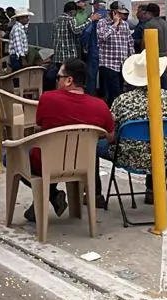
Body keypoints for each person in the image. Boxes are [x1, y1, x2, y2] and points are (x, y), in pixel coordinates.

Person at [24, 58, 114, 222]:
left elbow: (40, 124)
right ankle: (52, 196)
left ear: (68, 80)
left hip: (48, 162)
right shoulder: (100, 106)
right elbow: (110, 136)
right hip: (83, 165)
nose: (55, 81)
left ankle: (51, 195)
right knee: (90, 148)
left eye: (58, 77)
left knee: (11, 157)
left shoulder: (48, 99)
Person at [105, 51, 167, 203]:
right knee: (160, 141)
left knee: (92, 147)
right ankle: (153, 190)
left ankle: (95, 195)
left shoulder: (122, 100)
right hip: (161, 157)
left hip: (127, 156)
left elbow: (110, 135)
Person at [94, 4, 133, 102]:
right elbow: (102, 37)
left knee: (120, 90)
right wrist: (114, 24)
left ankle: (115, 111)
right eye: (119, 13)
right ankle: (111, 112)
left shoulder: (125, 24)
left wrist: (131, 58)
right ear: (113, 12)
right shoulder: (102, 23)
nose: (122, 16)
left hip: (122, 63)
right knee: (114, 92)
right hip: (108, 63)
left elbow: (129, 42)